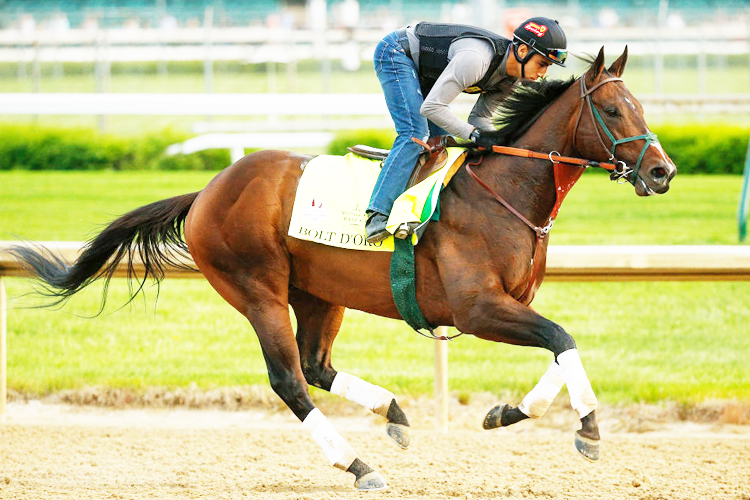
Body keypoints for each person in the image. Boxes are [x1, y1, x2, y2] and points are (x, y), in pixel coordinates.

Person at [366, 18, 568, 243]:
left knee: (440, 142)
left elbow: (480, 118)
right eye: (542, 64)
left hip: (425, 71)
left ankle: (414, 214)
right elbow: (432, 107)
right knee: (415, 133)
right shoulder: (476, 60)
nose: (543, 73)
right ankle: (378, 214)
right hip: (396, 52)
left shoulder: (511, 79)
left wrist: (498, 142)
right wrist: (474, 134)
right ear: (522, 50)